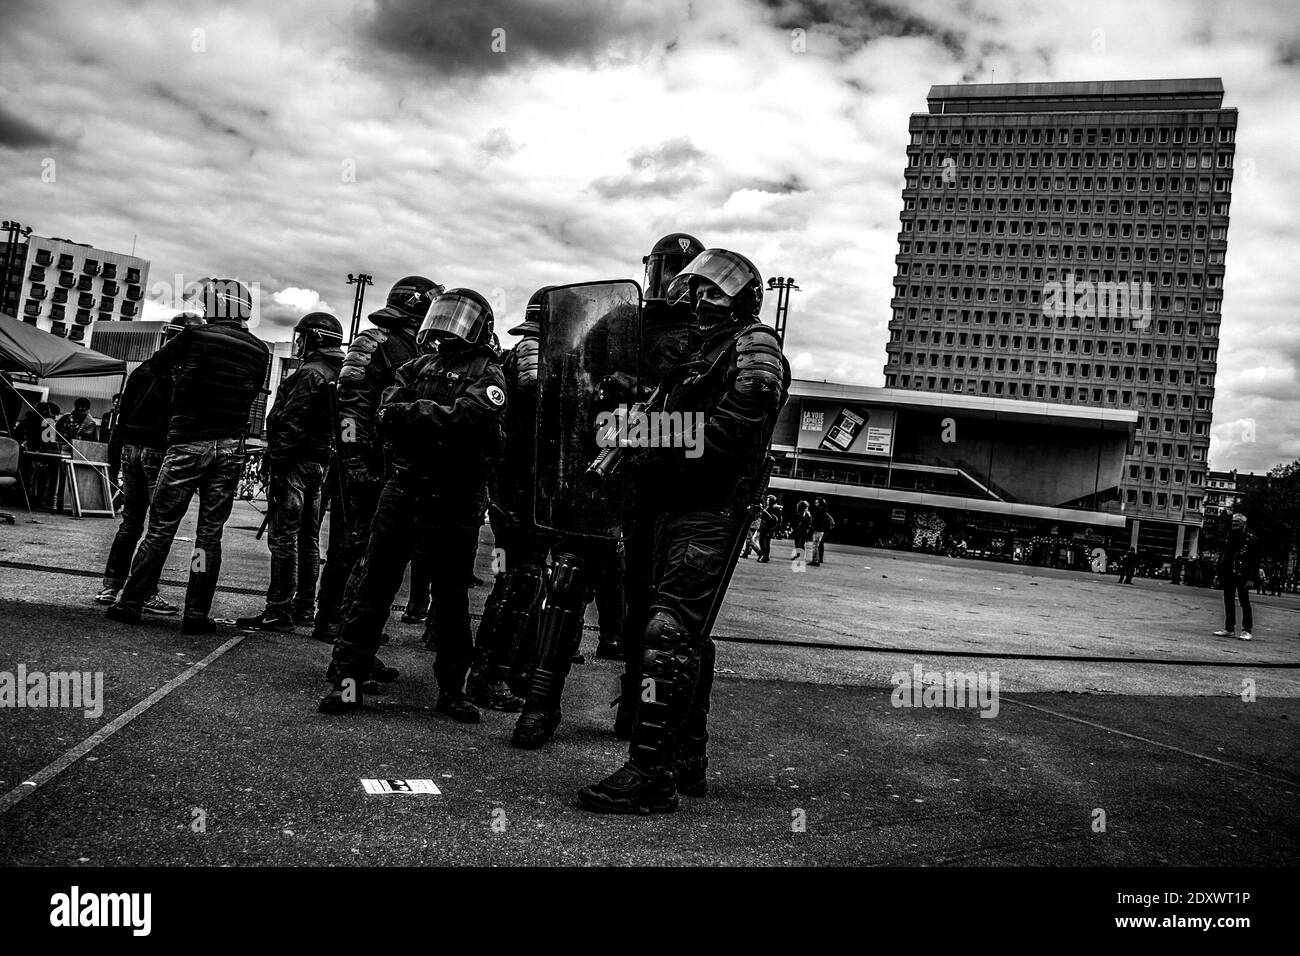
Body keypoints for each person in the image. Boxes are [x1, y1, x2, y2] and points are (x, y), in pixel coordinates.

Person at [581, 247, 789, 814]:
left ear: (742, 297)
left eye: (714, 291)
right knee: (674, 632)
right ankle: (683, 760)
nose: (699, 298)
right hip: (672, 506)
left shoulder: (754, 344)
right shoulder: (701, 350)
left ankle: (651, 775)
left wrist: (654, 435)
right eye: (695, 289)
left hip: (711, 508)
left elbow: (737, 428)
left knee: (669, 633)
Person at [319, 288, 507, 721]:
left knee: (450, 597)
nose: (448, 323)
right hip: (405, 487)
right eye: (445, 313)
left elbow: (471, 419)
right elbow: (386, 415)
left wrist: (415, 414)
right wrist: (435, 415)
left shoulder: (489, 372)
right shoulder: (415, 365)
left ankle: (453, 692)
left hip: (455, 495)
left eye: (459, 316)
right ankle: (347, 683)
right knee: (374, 587)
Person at [105, 278, 271, 634]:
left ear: (213, 307)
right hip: (230, 447)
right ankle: (196, 615)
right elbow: (253, 390)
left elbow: (155, 368)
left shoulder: (194, 337)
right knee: (209, 536)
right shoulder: (260, 350)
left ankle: (131, 602)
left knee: (161, 527)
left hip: (187, 442)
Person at [311, 276, 441, 652]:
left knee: (373, 551)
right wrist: (354, 460)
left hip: (391, 462)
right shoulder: (375, 343)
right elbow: (349, 405)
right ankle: (336, 622)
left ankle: (354, 626)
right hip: (366, 461)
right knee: (353, 545)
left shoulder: (418, 346)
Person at [465, 287, 552, 713]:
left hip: (524, 489)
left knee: (526, 581)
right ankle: (491, 674)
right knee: (519, 580)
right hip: (520, 490)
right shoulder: (534, 353)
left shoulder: (523, 352)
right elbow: (539, 399)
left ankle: (512, 670)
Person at [237, 312, 344, 632]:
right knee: (309, 539)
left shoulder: (309, 374)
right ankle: (303, 607)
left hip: (295, 465)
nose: (298, 343)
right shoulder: (336, 373)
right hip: (319, 465)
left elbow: (291, 422)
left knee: (284, 538)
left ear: (315, 340)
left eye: (302, 337)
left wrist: (278, 464)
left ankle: (279, 609)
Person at [95, 313, 204, 613]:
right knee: (159, 528)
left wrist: (113, 460)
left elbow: (121, 419)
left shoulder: (143, 370)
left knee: (131, 522)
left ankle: (111, 585)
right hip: (159, 452)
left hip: (131, 449)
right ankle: (145, 591)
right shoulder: (184, 376)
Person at [1214, 513, 1258, 641]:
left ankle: (1247, 629)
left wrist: (1251, 578)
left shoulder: (1251, 540)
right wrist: (1218, 573)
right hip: (1229, 574)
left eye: (1237, 522)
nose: (1234, 524)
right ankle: (1229, 628)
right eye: (1233, 522)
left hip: (1243, 575)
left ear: (1244, 524)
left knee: (1244, 602)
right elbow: (1224, 557)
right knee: (1228, 601)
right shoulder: (1229, 538)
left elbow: (1255, 561)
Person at [810, 496, 835, 566]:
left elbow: (818, 521)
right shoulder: (823, 510)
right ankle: (818, 559)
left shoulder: (820, 511)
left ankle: (816, 560)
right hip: (820, 530)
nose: (815, 503)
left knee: (816, 545)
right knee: (818, 545)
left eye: (817, 502)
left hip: (819, 530)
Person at [792, 500, 812, 564]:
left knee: (801, 543)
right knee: (797, 543)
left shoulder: (807, 513)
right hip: (798, 529)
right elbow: (796, 519)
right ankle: (798, 554)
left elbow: (808, 522)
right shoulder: (799, 512)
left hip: (803, 530)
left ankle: (802, 556)